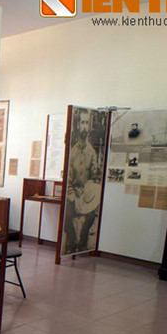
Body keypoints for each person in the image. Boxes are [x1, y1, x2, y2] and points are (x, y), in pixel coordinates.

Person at [64, 108, 100, 253]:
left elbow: (93, 179)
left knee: (91, 215)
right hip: (73, 195)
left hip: (86, 196)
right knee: (66, 215)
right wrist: (74, 198)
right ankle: (72, 243)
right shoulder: (72, 153)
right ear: (78, 125)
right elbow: (68, 181)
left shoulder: (92, 153)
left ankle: (83, 242)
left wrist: (86, 197)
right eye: (82, 122)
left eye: (86, 123)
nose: (85, 126)